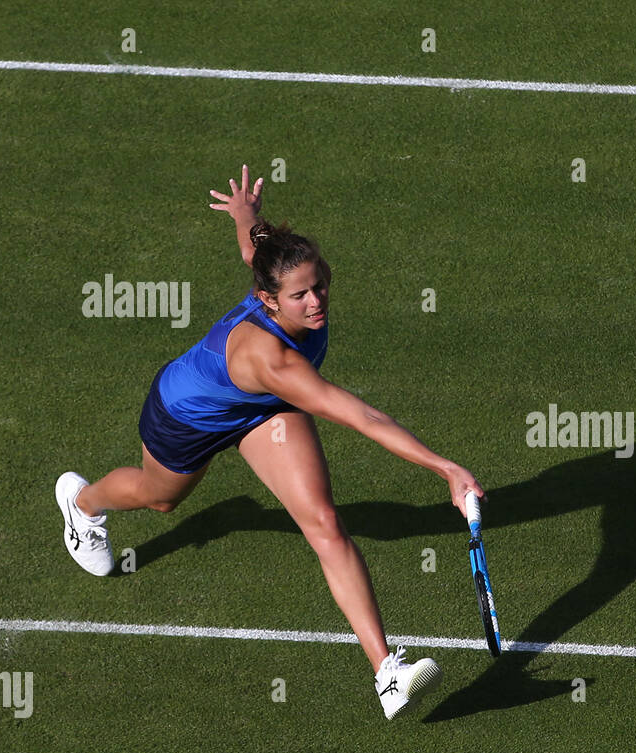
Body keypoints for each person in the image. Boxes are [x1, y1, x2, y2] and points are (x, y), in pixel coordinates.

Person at [55, 165, 484, 720]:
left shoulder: (275, 269)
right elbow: (363, 417)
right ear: (269, 299)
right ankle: (83, 505)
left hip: (262, 411)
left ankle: (387, 673)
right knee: (160, 498)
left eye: (320, 284)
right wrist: (444, 468)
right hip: (186, 416)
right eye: (300, 294)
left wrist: (245, 215)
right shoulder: (276, 359)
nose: (315, 302)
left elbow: (255, 247)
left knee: (324, 522)